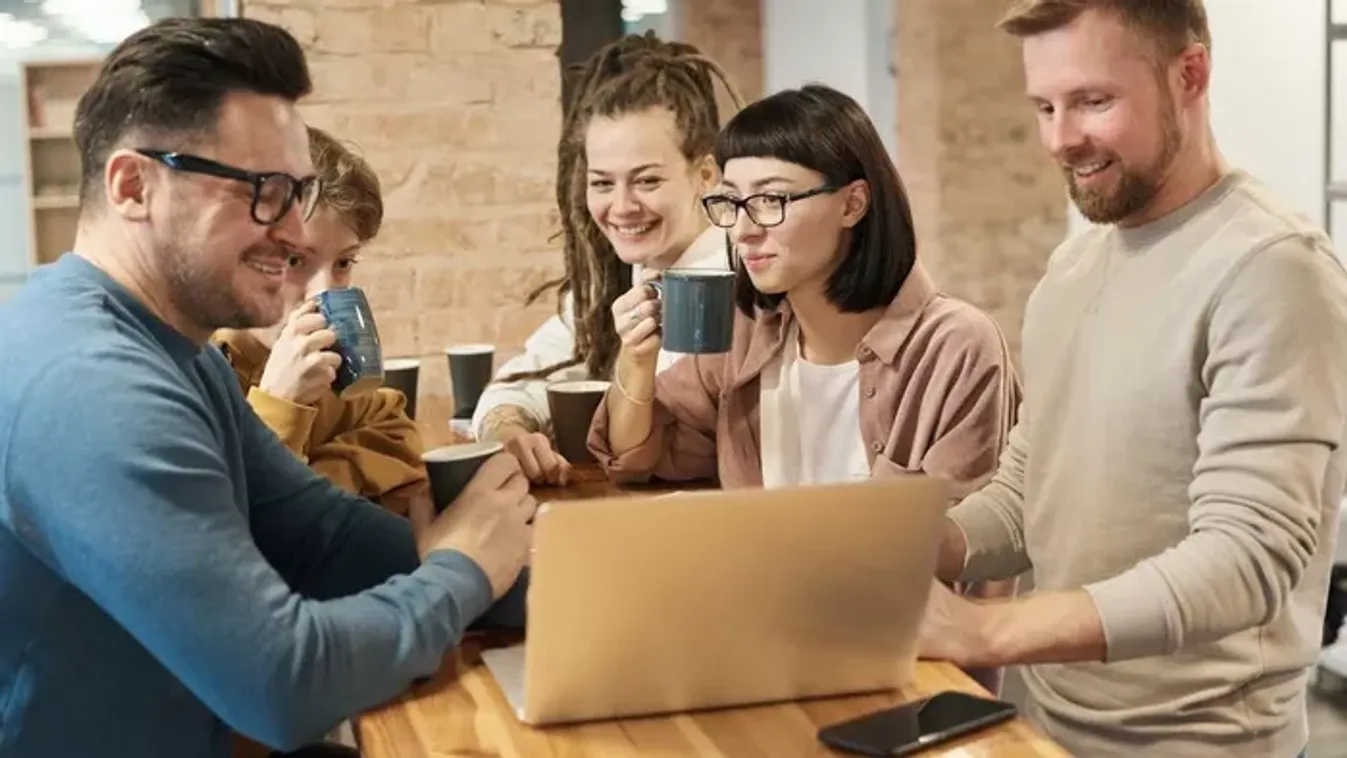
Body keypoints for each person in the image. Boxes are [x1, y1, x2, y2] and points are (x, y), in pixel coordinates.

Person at [0, 17, 534, 758]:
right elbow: (285, 684)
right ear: (133, 186)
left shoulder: (178, 352)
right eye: (263, 191)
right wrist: (463, 569)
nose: (291, 232)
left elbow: (324, 536)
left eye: (298, 191)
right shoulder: (90, 384)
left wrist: (552, 582)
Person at [917, 3, 1347, 758]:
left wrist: (985, 628)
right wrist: (924, 546)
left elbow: (1245, 556)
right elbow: (1031, 488)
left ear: (1190, 74)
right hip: (1039, 728)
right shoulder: (1071, 269)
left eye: (1092, 101)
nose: (1059, 138)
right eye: (1044, 107)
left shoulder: (1273, 271)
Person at [587, 86, 1020, 694]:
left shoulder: (953, 346)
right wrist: (637, 362)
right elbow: (639, 460)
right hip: (760, 654)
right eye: (732, 204)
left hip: (908, 677)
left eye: (772, 201)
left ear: (853, 203)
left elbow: (950, 562)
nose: (745, 229)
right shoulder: (748, 331)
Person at [471, 32, 737, 485]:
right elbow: (517, 383)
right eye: (601, 183)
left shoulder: (756, 271)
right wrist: (510, 431)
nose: (621, 206)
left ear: (705, 174)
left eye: (647, 181)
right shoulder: (619, 281)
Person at [212, 125, 427, 514]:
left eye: (343, 263)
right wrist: (279, 405)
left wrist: (322, 479)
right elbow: (224, 523)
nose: (322, 292)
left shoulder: (326, 369)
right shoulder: (198, 372)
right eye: (294, 260)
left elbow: (396, 432)